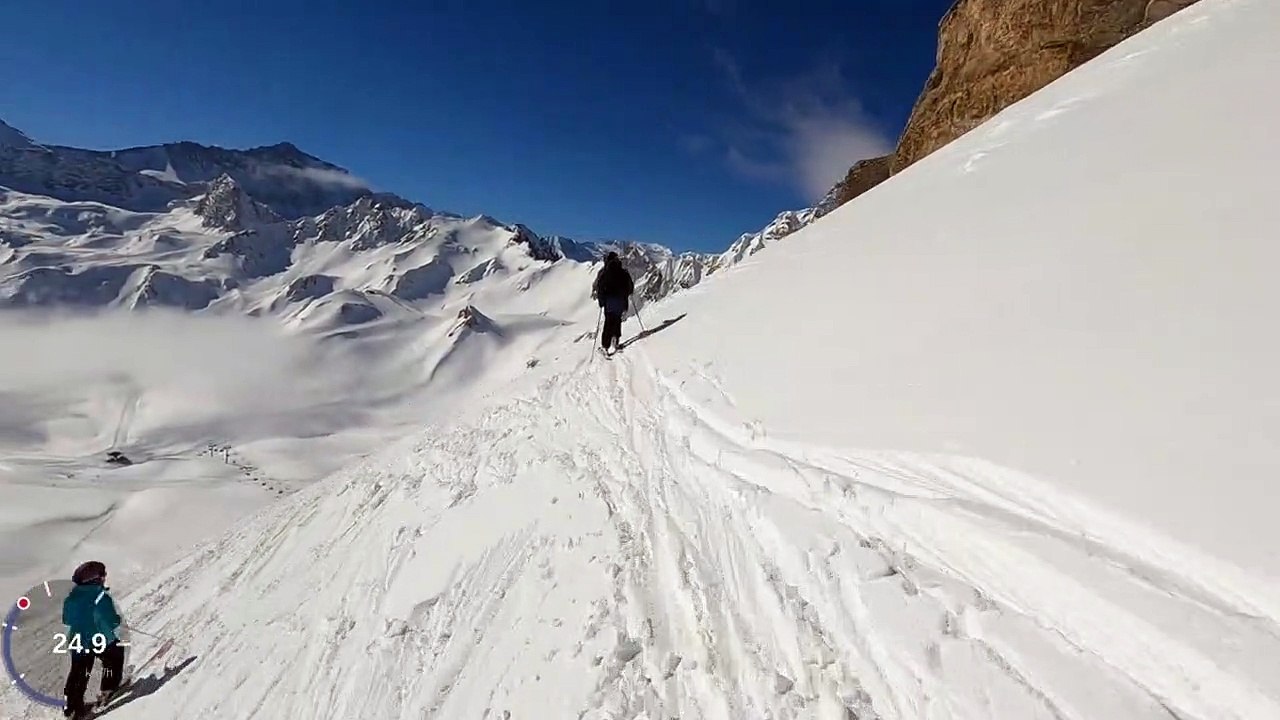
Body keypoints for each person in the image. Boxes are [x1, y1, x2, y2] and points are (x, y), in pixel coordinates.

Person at [62, 561, 126, 719]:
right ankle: (108, 689)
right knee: (115, 655)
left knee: (79, 672)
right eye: (103, 575)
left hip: (77, 640)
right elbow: (111, 620)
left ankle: (73, 708)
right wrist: (115, 620)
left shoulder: (71, 598)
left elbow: (67, 620)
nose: (105, 578)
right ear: (95, 579)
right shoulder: (100, 596)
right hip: (97, 639)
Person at [592, 251, 634, 354]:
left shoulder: (604, 273)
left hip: (609, 301)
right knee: (617, 320)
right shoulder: (624, 272)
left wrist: (601, 302)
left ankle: (605, 346)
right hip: (620, 301)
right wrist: (625, 295)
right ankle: (616, 341)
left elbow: (600, 288)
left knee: (608, 322)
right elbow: (630, 287)